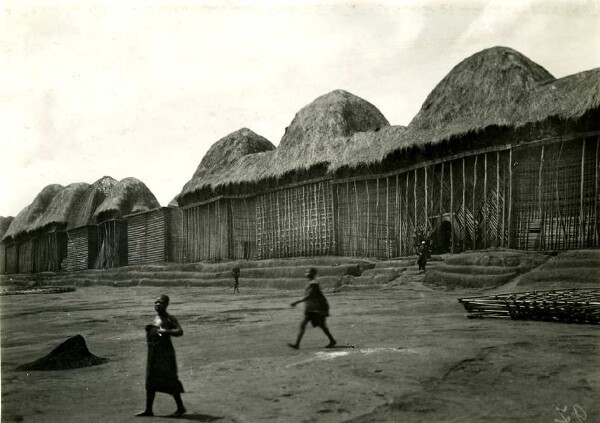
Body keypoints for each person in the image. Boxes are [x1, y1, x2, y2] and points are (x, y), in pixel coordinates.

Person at [136, 294, 186, 418]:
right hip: (153, 354)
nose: (158, 304)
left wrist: (166, 331)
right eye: (156, 302)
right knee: (150, 380)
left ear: (166, 305)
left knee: (170, 380)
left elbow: (180, 331)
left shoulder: (170, 319)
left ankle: (180, 407)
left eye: (161, 302)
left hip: (165, 354)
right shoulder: (155, 318)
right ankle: (149, 409)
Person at [288, 267, 337, 350]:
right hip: (314, 308)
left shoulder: (313, 284)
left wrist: (297, 302)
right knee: (320, 326)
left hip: (316, 309)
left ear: (312, 274)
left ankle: (297, 344)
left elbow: (309, 296)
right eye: (306, 272)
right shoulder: (312, 283)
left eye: (308, 272)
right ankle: (332, 340)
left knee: (308, 325)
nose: (306, 273)